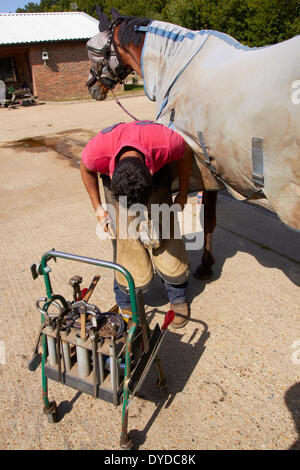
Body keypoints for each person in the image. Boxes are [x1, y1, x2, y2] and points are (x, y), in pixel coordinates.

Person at [80, 120, 194, 328]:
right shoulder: (98, 151)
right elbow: (85, 167)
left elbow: (186, 154)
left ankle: (177, 296)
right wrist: (98, 208)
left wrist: (183, 194)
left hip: (157, 176)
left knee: (165, 233)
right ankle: (126, 301)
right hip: (117, 178)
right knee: (125, 239)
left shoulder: (166, 142)